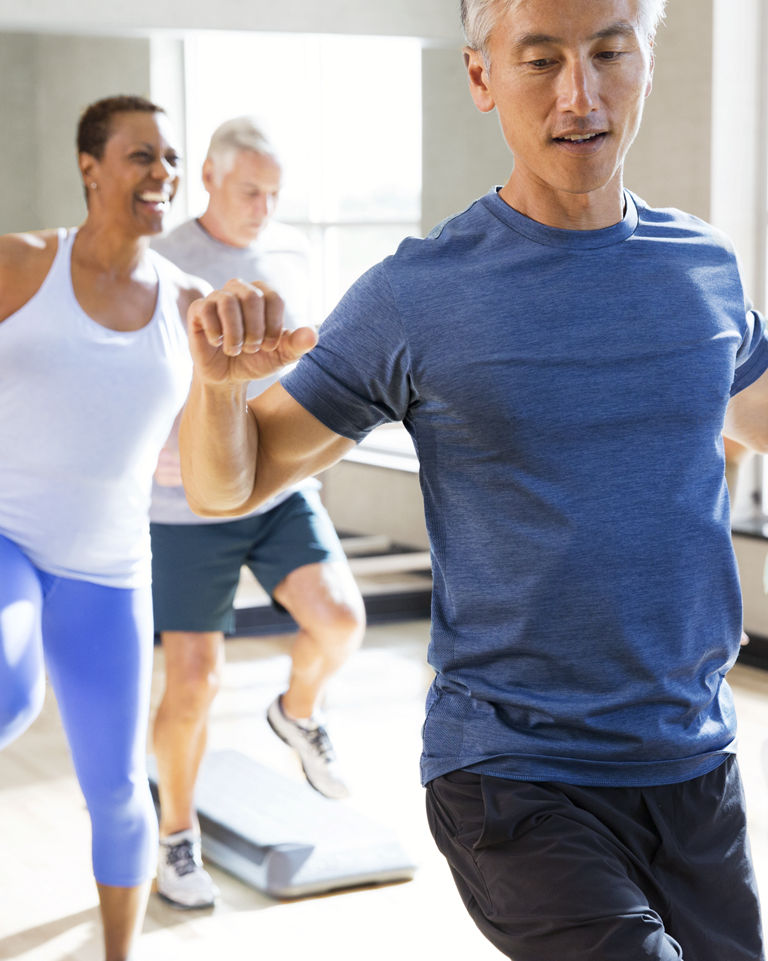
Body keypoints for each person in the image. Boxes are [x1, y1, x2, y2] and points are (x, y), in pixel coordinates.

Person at [176, 0, 768, 958]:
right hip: (516, 773)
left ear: (646, 59)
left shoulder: (701, 269)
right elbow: (225, 486)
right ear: (482, 77)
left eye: (610, 51)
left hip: (694, 764)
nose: (581, 93)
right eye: (541, 60)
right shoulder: (419, 295)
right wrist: (216, 391)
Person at [0, 95, 205, 961]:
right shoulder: (20, 264)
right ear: (90, 168)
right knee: (10, 690)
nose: (162, 174)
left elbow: (221, 436)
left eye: (169, 159)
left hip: (110, 568)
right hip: (6, 535)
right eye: (140, 156)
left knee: (121, 791)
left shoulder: (189, 304)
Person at [149, 117, 366, 909]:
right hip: (181, 503)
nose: (264, 207)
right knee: (195, 680)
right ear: (207, 175)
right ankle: (176, 838)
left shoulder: (288, 258)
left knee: (340, 621)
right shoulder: (163, 263)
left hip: (275, 489)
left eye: (275, 193)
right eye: (250, 190)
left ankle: (295, 713)